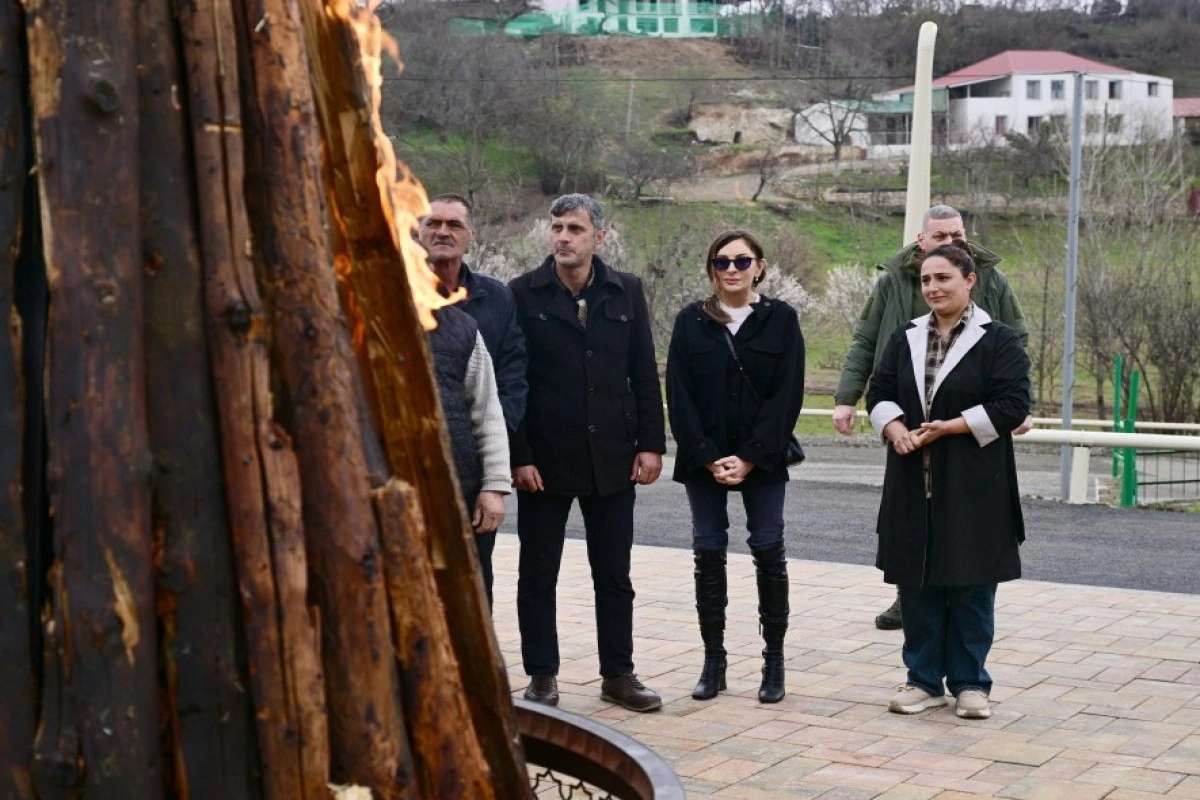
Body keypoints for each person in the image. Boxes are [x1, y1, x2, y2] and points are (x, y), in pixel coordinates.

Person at [831, 205, 1030, 631]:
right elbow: (866, 340)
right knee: (912, 510)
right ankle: (910, 597)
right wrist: (850, 399)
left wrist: (1015, 405)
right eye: (940, 236)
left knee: (965, 517)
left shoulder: (992, 280)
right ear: (921, 240)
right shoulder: (893, 285)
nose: (950, 242)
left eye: (957, 235)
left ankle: (965, 624)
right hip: (907, 412)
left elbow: (1016, 341)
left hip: (970, 425)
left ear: (968, 279)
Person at [508, 194, 666, 712]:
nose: (563, 237)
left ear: (599, 236)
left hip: (612, 458)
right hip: (545, 462)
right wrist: (519, 455)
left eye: (574, 228)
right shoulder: (521, 294)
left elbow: (643, 373)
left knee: (614, 575)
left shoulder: (626, 291)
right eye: (556, 227)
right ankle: (541, 675)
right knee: (537, 575)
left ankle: (618, 674)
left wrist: (651, 444)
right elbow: (514, 381)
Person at [867, 244, 1030, 720]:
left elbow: (1013, 405)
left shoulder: (998, 339)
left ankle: (970, 683)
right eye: (926, 280)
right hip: (911, 482)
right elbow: (879, 391)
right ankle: (922, 680)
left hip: (975, 486)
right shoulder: (905, 336)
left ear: (970, 279)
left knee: (971, 586)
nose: (933, 288)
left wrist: (952, 427)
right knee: (917, 586)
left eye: (943, 278)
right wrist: (894, 428)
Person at [665, 230, 805, 704]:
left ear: (759, 267)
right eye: (721, 261)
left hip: (762, 457)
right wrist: (707, 455)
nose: (731, 269)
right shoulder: (690, 321)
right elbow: (678, 394)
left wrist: (749, 456)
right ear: (711, 268)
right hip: (703, 459)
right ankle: (714, 662)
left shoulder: (781, 319)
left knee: (768, 549)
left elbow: (787, 395)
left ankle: (774, 663)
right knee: (708, 552)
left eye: (742, 261)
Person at [419, 192, 527, 608]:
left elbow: (498, 395)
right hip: (401, 481)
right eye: (433, 223)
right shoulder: (379, 307)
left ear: (471, 236)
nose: (442, 232)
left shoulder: (492, 302)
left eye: (454, 225)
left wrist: (493, 477)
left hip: (466, 476)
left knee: (470, 590)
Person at [427, 304, 511, 608]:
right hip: (381, 493)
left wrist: (494, 486)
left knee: (468, 597)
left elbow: (487, 412)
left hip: (458, 492)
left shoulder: (461, 328)